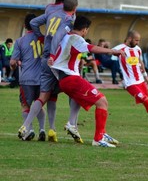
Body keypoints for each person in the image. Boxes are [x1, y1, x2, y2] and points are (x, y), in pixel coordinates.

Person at [50, 15, 124, 147]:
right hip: (70, 78)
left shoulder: (65, 36)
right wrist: (112, 51)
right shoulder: (76, 38)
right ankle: (98, 139)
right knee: (102, 102)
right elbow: (92, 48)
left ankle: (78, 126)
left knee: (79, 99)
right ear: (84, 29)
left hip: (64, 79)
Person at [18, 0, 79, 142]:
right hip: (55, 60)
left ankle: (26, 125)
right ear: (75, 8)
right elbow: (58, 36)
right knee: (74, 90)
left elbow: (33, 22)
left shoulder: (51, 14)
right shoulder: (68, 20)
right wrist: (53, 54)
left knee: (44, 95)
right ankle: (69, 124)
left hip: (45, 60)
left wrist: (41, 36)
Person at [10, 14, 46, 141]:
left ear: (24, 25)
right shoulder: (44, 39)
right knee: (39, 104)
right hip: (43, 78)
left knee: (25, 105)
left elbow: (13, 62)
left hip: (27, 79)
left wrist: (14, 67)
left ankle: (29, 130)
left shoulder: (20, 41)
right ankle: (42, 129)